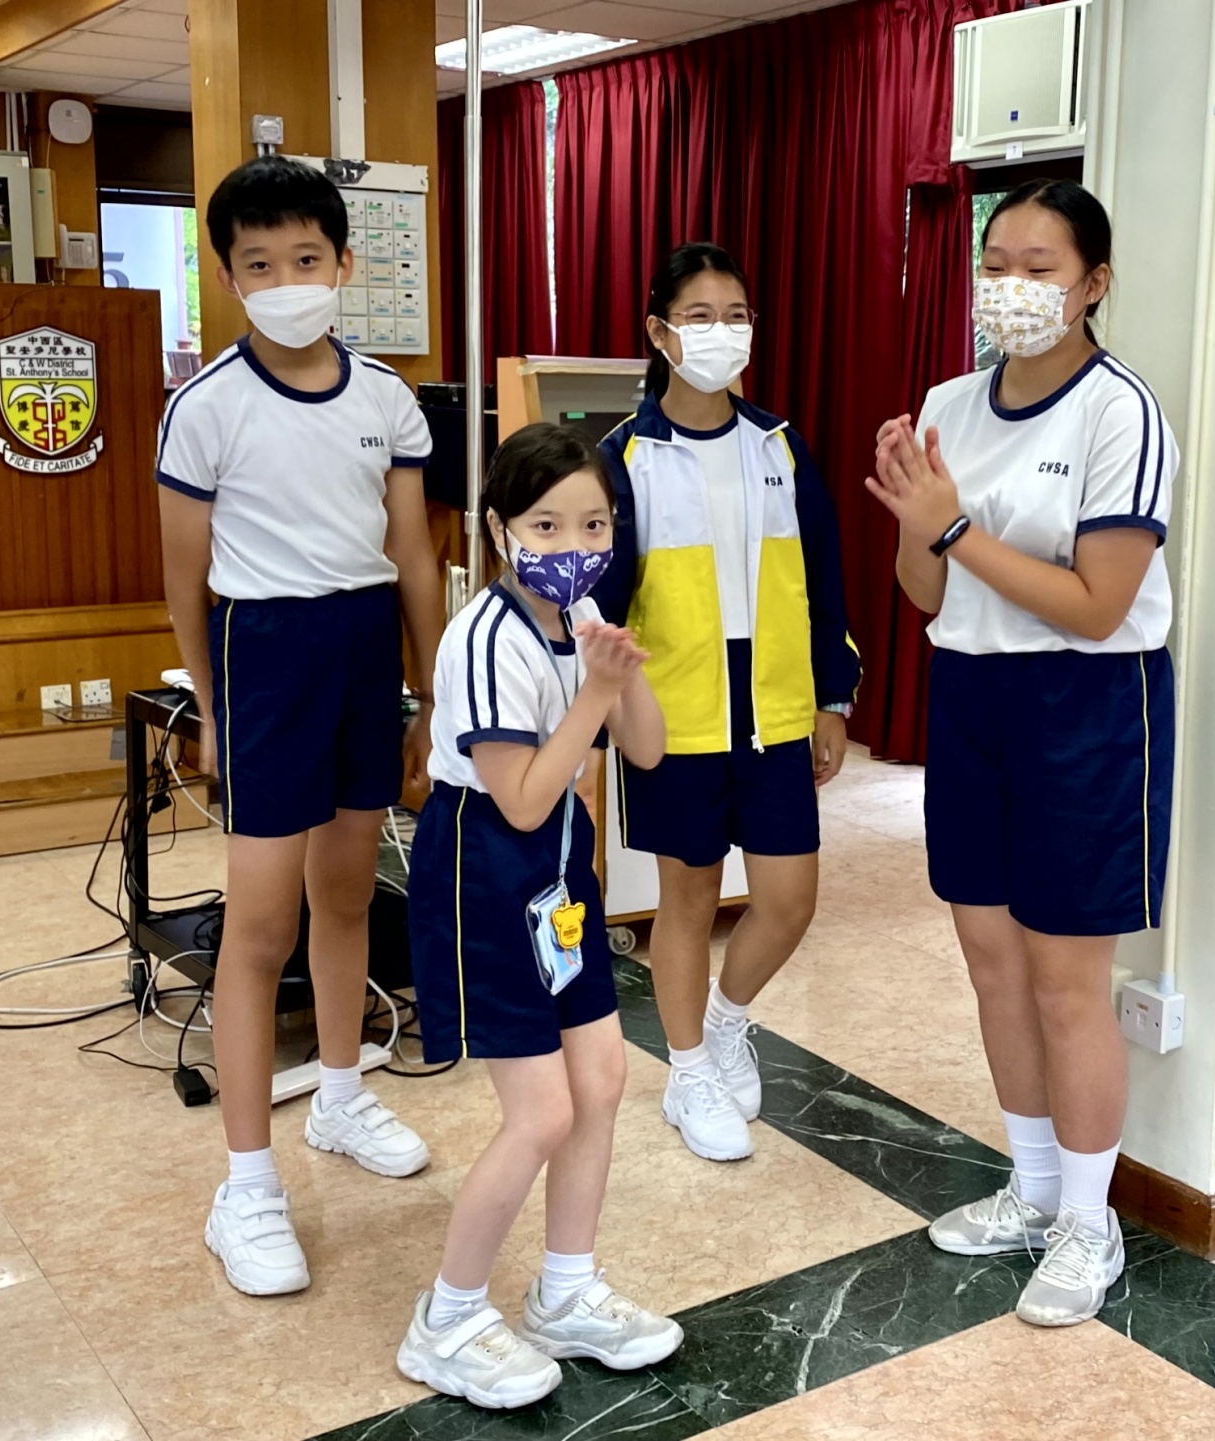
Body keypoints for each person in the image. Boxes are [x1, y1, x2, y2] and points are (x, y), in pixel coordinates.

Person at [867, 180, 1177, 1328]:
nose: (1012, 285)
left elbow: (1099, 604)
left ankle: (1092, 1224)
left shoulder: (1120, 412)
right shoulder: (952, 400)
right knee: (992, 961)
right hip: (972, 691)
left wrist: (954, 525)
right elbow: (925, 589)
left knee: (1064, 978)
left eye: (1040, 267)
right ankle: (1035, 1186)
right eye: (996, 262)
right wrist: (920, 526)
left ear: (1093, 284)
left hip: (1086, 704)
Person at [156, 155, 444, 1297]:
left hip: (366, 648)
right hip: (264, 654)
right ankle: (246, 1185)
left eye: (306, 259)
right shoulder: (205, 407)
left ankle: (339, 1093)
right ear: (230, 278)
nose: (286, 281)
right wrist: (211, 705)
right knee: (260, 921)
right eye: (261, 264)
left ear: (344, 265)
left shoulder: (386, 399)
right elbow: (185, 580)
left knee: (347, 892)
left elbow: (412, 554)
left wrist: (434, 694)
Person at [396, 424, 678, 1409]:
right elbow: (518, 798)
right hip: (484, 870)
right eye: (546, 525)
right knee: (543, 1110)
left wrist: (620, 675)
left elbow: (648, 749)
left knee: (601, 1078)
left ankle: (565, 1291)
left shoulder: (586, 613)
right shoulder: (483, 639)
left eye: (594, 524)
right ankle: (447, 1318)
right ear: (498, 530)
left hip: (558, 876)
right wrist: (594, 695)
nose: (573, 544)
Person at [594, 243, 861, 1163]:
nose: (722, 331)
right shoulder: (622, 458)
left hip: (776, 708)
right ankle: (688, 1071)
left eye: (736, 314)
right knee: (689, 898)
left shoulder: (778, 444)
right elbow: (602, 605)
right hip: (677, 717)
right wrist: (606, 716)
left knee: (788, 899)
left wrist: (832, 697)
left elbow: (823, 580)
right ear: (659, 332)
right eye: (699, 315)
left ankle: (725, 1019)